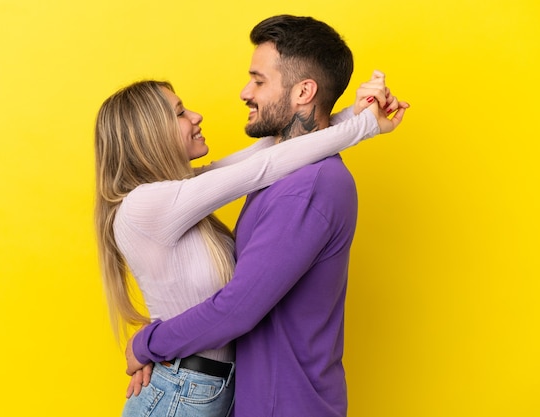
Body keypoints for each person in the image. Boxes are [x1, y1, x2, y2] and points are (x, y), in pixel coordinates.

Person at [124, 15, 409, 417]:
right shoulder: (283, 174)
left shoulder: (307, 187)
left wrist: (147, 344)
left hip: (287, 405)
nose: (245, 91)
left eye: (258, 80)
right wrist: (356, 118)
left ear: (303, 91)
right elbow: (278, 153)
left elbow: (237, 308)